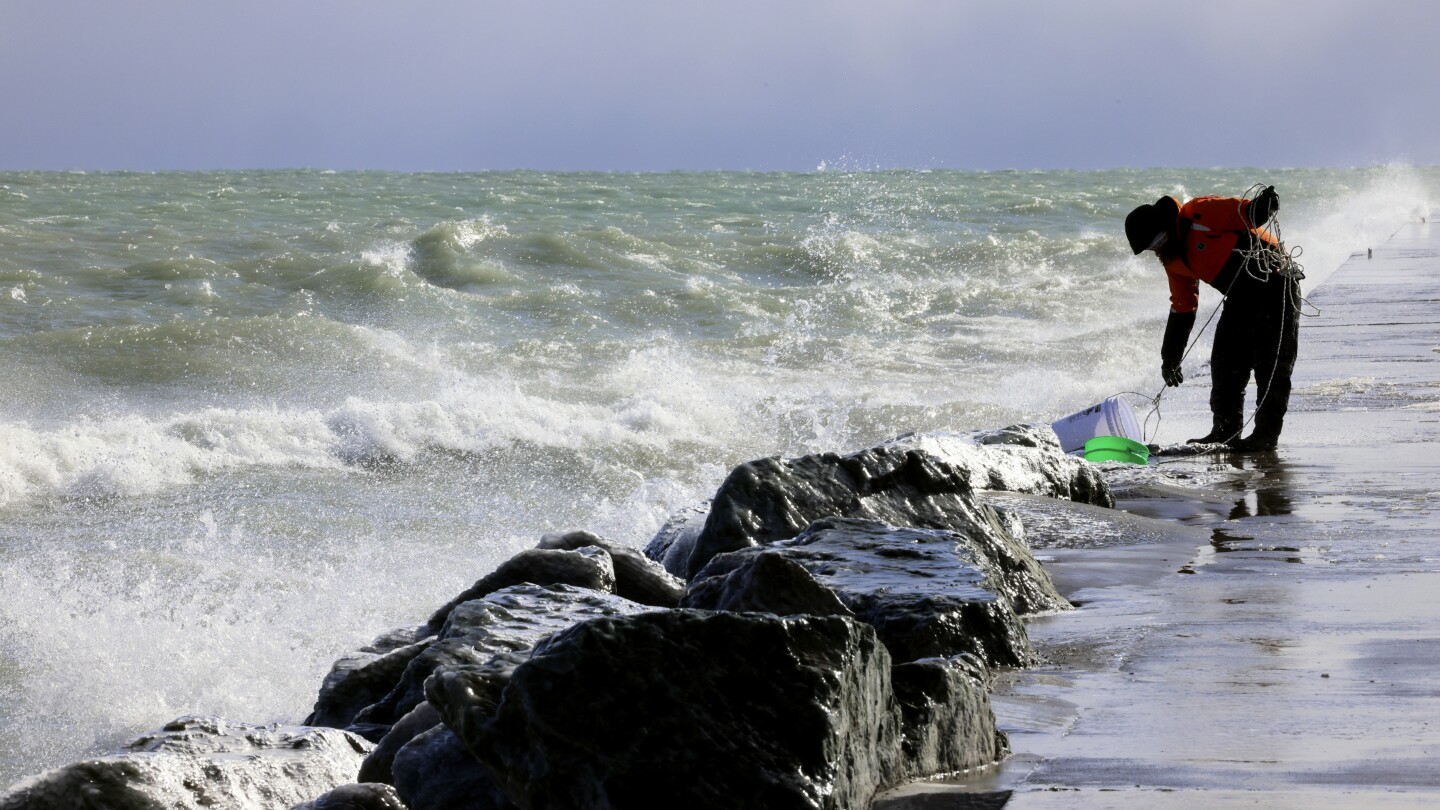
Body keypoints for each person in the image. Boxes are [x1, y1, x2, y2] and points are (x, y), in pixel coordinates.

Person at [1124, 187, 1301, 452]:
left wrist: (1264, 205)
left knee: (1271, 366)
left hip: (1276, 284)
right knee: (1225, 363)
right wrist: (1170, 357)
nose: (1158, 248)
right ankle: (1225, 432)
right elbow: (1182, 307)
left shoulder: (1200, 212)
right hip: (1240, 298)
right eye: (1151, 247)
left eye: (1159, 239)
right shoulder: (1173, 261)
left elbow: (1244, 212)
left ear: (1167, 226)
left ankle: (1265, 436)